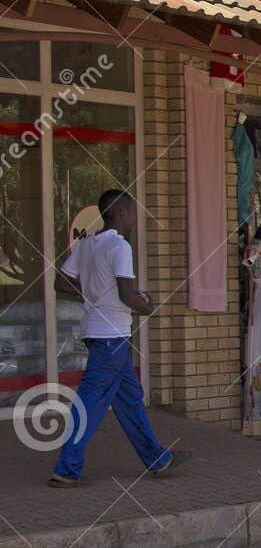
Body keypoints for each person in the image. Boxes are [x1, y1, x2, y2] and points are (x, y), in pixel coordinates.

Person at [48, 190, 190, 487]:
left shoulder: (87, 244)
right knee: (88, 404)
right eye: (132, 211)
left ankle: (157, 458)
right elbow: (126, 295)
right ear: (121, 212)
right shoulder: (119, 246)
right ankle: (66, 468)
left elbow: (60, 281)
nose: (135, 219)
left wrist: (93, 295)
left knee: (130, 400)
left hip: (103, 335)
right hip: (111, 336)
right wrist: (147, 307)